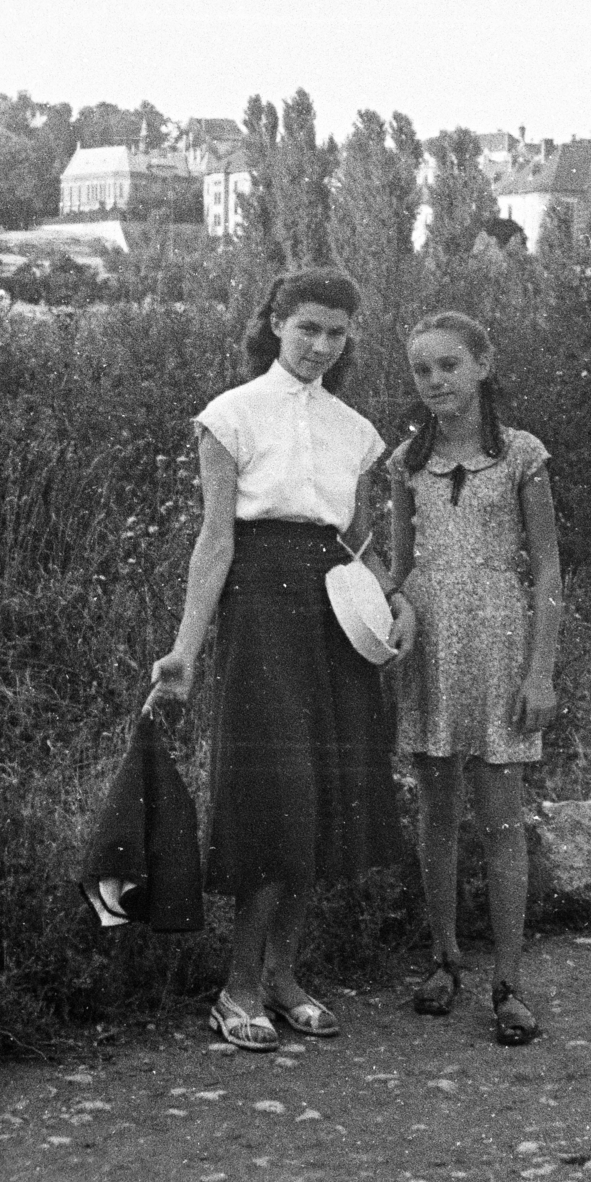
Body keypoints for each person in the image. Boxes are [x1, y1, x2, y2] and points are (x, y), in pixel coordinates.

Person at [146, 268, 415, 1053]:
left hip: (335, 614)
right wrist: (184, 651)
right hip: (261, 608)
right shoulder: (229, 416)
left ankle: (286, 976)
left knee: (325, 795)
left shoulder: (356, 430)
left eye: (335, 333)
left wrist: (386, 603)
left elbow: (359, 544)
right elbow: (215, 540)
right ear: (273, 323)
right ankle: (236, 987)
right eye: (306, 328)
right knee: (275, 795)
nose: (320, 346)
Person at [388, 311, 562, 1045]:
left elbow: (548, 567)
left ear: (482, 365)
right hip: (430, 646)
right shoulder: (405, 460)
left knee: (499, 820)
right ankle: (443, 958)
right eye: (422, 370)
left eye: (449, 366)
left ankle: (509, 981)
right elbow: (397, 567)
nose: (435, 382)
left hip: (499, 641)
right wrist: (393, 606)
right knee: (436, 815)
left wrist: (540, 672)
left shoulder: (520, 455)